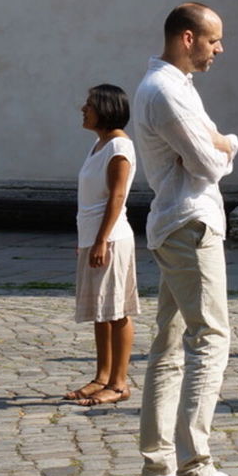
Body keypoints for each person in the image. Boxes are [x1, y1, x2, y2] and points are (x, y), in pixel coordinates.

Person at [132, 3, 238, 476]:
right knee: (210, 338)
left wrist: (216, 144)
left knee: (169, 345)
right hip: (190, 224)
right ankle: (195, 469)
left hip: (179, 222)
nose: (220, 49)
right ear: (187, 38)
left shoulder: (177, 87)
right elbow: (208, 163)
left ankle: (159, 465)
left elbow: (206, 152)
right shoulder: (165, 91)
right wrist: (228, 143)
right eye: (213, 40)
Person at [64, 84, 140, 407]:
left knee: (116, 311)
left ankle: (119, 384)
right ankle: (102, 376)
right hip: (94, 238)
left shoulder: (119, 147)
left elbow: (117, 196)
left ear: (107, 109)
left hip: (111, 239)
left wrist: (101, 241)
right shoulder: (99, 145)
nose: (84, 109)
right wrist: (86, 240)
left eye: (90, 104)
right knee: (100, 312)